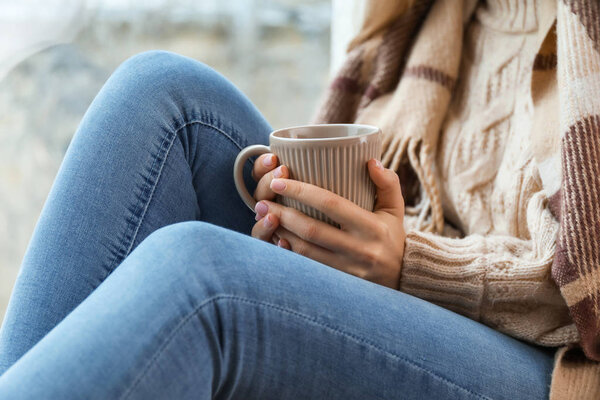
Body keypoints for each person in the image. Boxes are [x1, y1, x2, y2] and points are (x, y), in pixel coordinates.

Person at [0, 0, 585, 398]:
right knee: (160, 94)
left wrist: (413, 265)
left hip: (554, 360)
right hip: (420, 291)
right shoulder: (428, 17)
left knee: (204, 272)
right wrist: (304, 211)